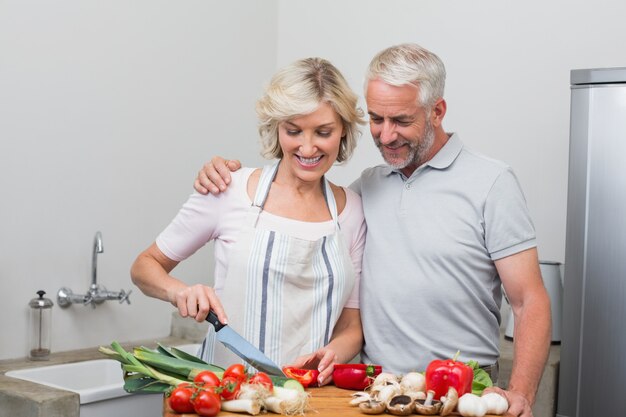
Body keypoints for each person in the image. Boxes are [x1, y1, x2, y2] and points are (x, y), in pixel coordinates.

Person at [194, 44, 551, 417]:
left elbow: (530, 301)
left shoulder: (491, 183)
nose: (385, 135)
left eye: (401, 120)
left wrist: (520, 393)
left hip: (464, 390)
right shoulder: (367, 188)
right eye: (376, 119)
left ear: (437, 111)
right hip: (376, 391)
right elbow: (301, 201)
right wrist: (226, 175)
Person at [131, 57, 367, 386]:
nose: (308, 146)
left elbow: (351, 326)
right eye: (293, 130)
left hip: (306, 399)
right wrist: (181, 292)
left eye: (323, 132)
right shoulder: (228, 189)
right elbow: (144, 266)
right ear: (276, 128)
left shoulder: (352, 211)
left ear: (343, 131)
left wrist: (335, 353)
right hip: (225, 396)